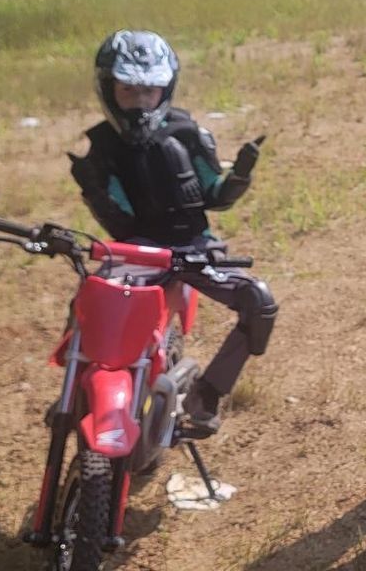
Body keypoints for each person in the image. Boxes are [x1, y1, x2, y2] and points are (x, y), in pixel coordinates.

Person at [67, 29, 274, 438]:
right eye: (129, 91)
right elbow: (119, 222)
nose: (141, 102)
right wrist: (92, 187)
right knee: (87, 302)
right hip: (135, 250)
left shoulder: (187, 133)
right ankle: (77, 390)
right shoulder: (103, 147)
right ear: (109, 90)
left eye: (151, 91)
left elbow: (215, 194)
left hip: (194, 247)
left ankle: (207, 393)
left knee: (260, 302)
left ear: (167, 89)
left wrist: (240, 176)